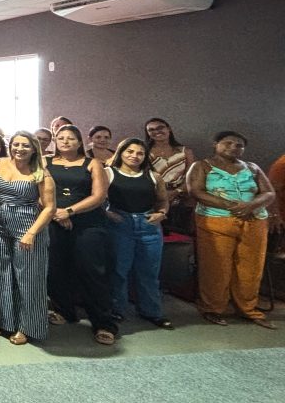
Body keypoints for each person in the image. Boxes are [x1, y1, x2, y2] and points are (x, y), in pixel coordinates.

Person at [187, 131, 276, 329]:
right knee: (216, 266)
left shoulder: (252, 167)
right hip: (215, 221)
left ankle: (247, 308)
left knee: (251, 267)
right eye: (228, 143)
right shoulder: (202, 166)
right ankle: (213, 308)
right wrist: (232, 206)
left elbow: (269, 192)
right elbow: (196, 191)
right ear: (215, 144)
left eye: (239, 145)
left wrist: (251, 206)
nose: (234, 147)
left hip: (254, 221)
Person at [0, 131, 56, 345]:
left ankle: (28, 327)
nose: (19, 149)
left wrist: (32, 233)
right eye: (16, 144)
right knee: (0, 274)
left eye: (25, 145)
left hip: (28, 226)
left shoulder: (41, 173)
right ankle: (5, 322)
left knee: (29, 278)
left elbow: (50, 208)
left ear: (34, 149)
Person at [47, 126, 117, 344]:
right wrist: (56, 213)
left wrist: (69, 211)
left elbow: (99, 196)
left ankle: (103, 323)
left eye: (71, 138)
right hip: (54, 220)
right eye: (61, 138)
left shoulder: (92, 163)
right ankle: (64, 310)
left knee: (92, 270)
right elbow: (38, 191)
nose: (65, 141)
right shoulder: (46, 162)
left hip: (88, 223)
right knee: (57, 268)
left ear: (79, 142)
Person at [104, 137, 173, 330]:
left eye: (140, 153)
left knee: (149, 272)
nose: (135, 156)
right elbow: (97, 197)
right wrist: (107, 213)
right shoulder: (108, 173)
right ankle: (117, 310)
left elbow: (163, 200)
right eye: (130, 151)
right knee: (119, 271)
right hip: (120, 225)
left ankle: (152, 312)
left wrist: (162, 213)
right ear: (121, 153)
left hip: (149, 226)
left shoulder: (153, 176)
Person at [145, 117, 195, 233]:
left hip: (182, 197)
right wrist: (161, 195)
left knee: (181, 234)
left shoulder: (185, 151)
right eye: (151, 130)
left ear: (169, 129)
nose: (156, 131)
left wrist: (176, 192)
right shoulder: (145, 152)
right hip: (154, 198)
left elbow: (191, 177)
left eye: (160, 127)